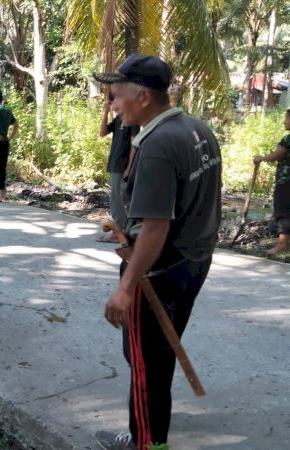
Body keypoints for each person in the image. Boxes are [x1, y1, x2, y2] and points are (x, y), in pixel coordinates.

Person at [92, 54, 222, 450]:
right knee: (157, 355)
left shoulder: (157, 144)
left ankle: (145, 443)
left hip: (158, 272)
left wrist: (127, 286)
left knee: (146, 362)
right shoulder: (197, 129)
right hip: (193, 263)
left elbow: (155, 227)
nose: (112, 105)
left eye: (116, 96)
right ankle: (150, 430)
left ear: (143, 95)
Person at [97, 95, 140, 242]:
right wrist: (105, 113)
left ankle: (119, 232)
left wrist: (129, 167)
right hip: (114, 163)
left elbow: (134, 145)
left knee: (118, 200)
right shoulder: (118, 119)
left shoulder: (132, 120)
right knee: (116, 198)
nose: (113, 104)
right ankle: (122, 231)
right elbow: (102, 133)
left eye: (114, 101)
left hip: (122, 166)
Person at [253, 108, 290, 255]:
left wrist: (261, 158)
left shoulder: (288, 139)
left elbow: (277, 155)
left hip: (286, 181)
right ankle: (284, 240)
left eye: (286, 118)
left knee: (283, 211)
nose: (284, 122)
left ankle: (281, 244)